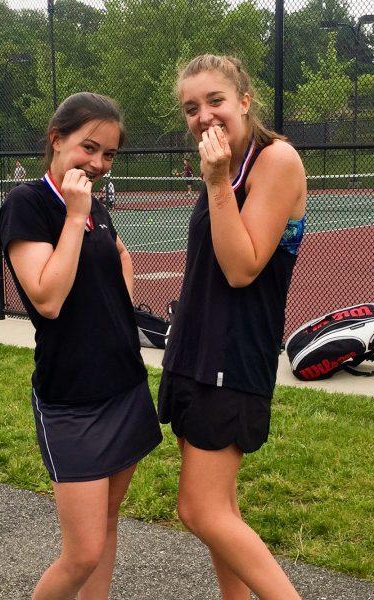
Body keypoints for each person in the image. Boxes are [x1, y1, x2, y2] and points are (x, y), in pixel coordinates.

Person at [0, 92, 161, 600]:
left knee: (109, 523)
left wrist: (116, 312)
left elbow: (118, 256)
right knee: (82, 550)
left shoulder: (93, 206)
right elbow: (46, 297)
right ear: (56, 139)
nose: (98, 163)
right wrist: (73, 217)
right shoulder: (30, 204)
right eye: (88, 148)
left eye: (108, 154)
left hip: (124, 386)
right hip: (73, 399)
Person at [159, 54, 306, 599]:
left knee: (200, 510)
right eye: (191, 108)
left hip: (234, 355)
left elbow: (243, 268)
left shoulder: (276, 161)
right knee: (220, 509)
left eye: (215, 100)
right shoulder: (223, 165)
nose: (204, 116)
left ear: (245, 99)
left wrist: (218, 182)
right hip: (196, 350)